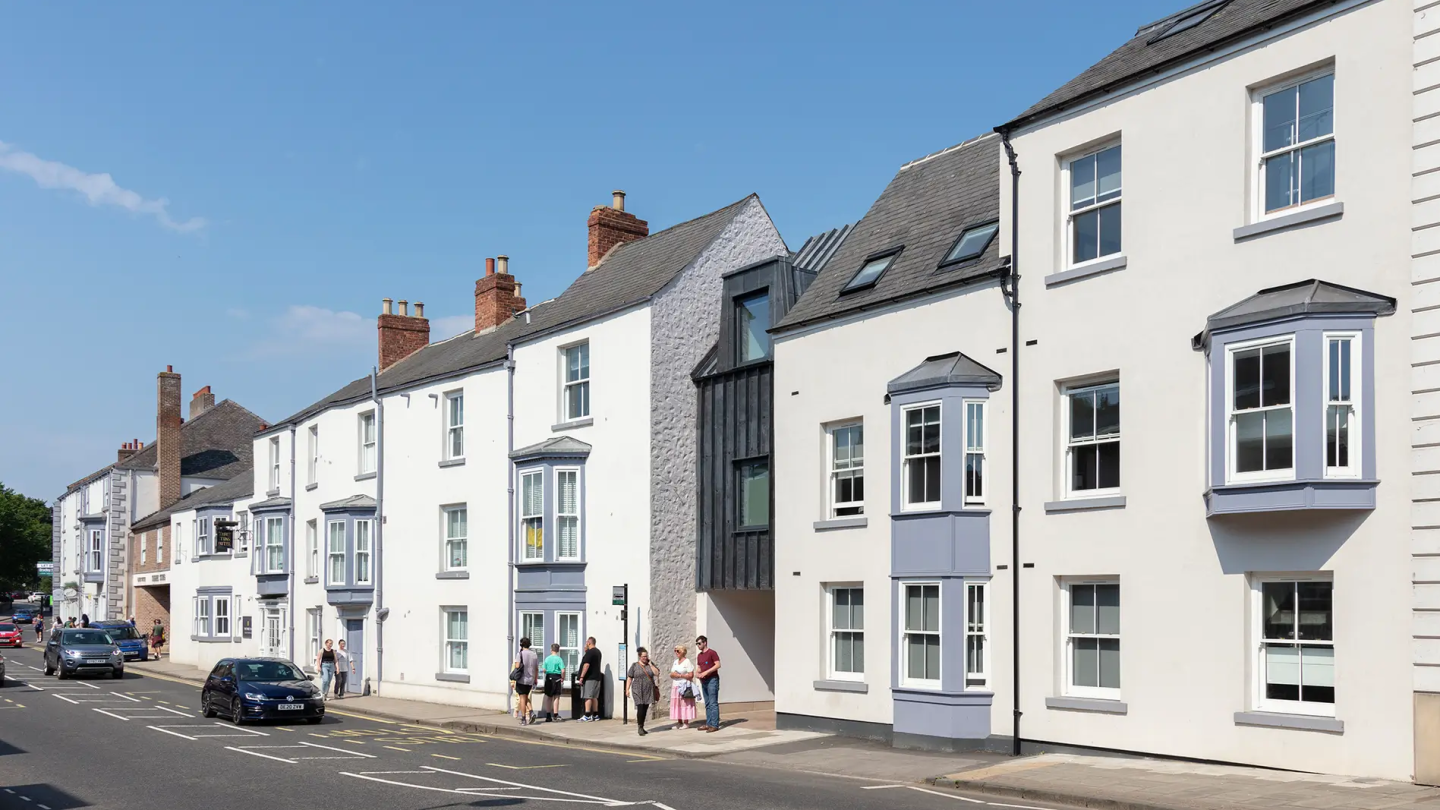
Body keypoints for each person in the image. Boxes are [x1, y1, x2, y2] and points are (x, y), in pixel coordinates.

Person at [625, 647, 661, 736]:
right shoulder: (634, 666)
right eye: (643, 656)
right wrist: (627, 689)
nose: (645, 658)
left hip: (648, 690)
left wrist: (651, 664)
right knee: (640, 707)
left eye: (646, 656)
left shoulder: (650, 665)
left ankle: (642, 725)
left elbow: (656, 673)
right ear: (639, 656)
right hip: (637, 689)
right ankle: (639, 727)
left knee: (645, 708)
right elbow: (629, 678)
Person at [695, 635, 722, 732]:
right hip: (704, 681)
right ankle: (709, 723)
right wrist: (697, 672)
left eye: (699, 643)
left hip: (712, 680)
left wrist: (707, 672)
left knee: (713, 702)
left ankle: (714, 724)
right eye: (697, 644)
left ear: (705, 643)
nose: (698, 645)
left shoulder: (712, 653)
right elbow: (699, 667)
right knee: (707, 703)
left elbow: (718, 665)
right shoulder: (699, 655)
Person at [669, 644, 697, 729]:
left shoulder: (687, 661)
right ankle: (679, 721)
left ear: (682, 652)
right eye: (675, 651)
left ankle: (686, 722)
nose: (676, 652)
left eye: (678, 651)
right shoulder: (675, 662)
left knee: (684, 704)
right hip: (676, 686)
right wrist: (673, 675)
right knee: (677, 704)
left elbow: (691, 675)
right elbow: (672, 674)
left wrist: (680, 675)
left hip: (684, 685)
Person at [515, 637, 539, 725]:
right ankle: (531, 712)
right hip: (530, 680)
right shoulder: (534, 654)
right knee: (525, 697)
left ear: (521, 644)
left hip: (522, 679)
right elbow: (536, 668)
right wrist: (535, 680)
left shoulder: (520, 654)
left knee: (522, 698)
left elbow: (517, 666)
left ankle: (523, 718)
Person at [578, 636, 602, 722]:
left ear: (589, 643)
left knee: (587, 696)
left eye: (586, 643)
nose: (585, 644)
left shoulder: (590, 653)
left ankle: (587, 715)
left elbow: (586, 665)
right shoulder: (598, 652)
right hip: (597, 677)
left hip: (590, 678)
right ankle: (595, 715)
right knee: (594, 697)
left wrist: (581, 677)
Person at [541, 643, 565, 722]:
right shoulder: (559, 659)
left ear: (551, 650)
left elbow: (544, 670)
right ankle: (555, 714)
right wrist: (563, 678)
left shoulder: (547, 659)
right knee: (556, 697)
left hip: (549, 677)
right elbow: (563, 670)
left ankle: (548, 716)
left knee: (549, 697)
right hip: (557, 677)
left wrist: (545, 671)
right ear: (558, 650)